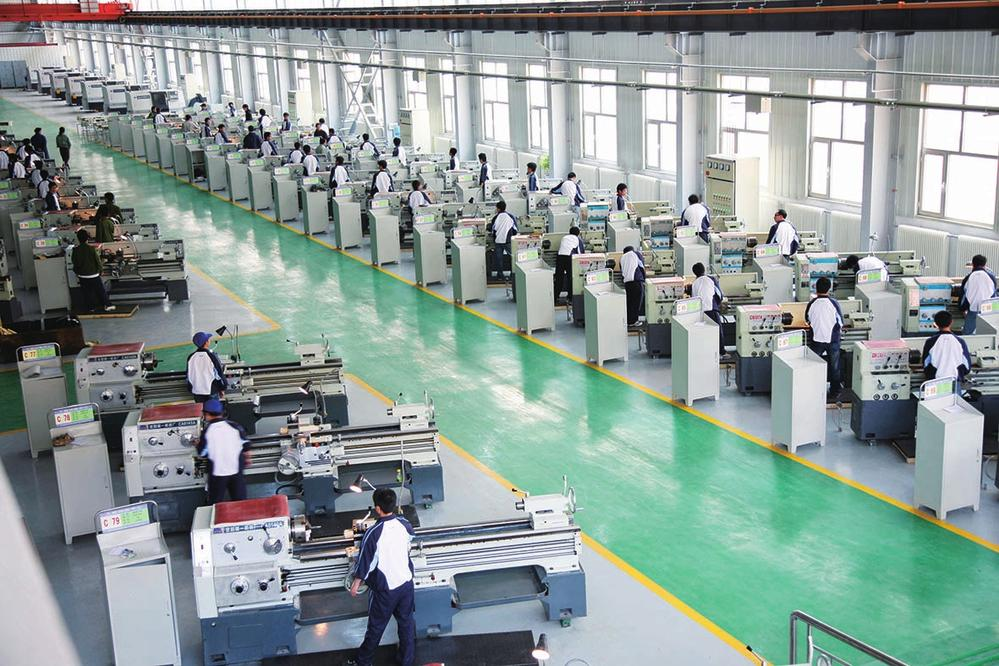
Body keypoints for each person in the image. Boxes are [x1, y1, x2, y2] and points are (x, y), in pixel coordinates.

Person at [347, 488, 416, 666]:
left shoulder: (373, 533)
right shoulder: (404, 523)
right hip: (406, 584)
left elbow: (366, 561)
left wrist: (356, 583)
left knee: (376, 627)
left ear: (377, 509)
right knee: (406, 624)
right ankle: (406, 660)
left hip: (386, 590)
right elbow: (410, 537)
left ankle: (364, 662)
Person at [197, 399, 250, 504]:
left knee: (215, 502)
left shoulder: (207, 432)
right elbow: (246, 446)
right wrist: (247, 459)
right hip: (236, 472)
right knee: (240, 502)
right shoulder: (235, 426)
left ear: (206, 414)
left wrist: (197, 444)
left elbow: (202, 453)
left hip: (218, 474)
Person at [804, 276, 843, 401]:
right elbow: (840, 322)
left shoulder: (811, 304)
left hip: (816, 340)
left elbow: (807, 320)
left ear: (816, 288)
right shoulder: (834, 303)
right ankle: (835, 391)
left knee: (813, 365)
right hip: (833, 340)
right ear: (829, 289)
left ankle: (812, 389)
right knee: (834, 366)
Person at [71, 228, 114, 313]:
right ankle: (107, 305)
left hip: (82, 275)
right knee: (100, 291)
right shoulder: (91, 249)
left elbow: (74, 262)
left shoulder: (75, 250)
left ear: (78, 239)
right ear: (87, 238)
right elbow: (98, 261)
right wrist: (101, 270)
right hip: (94, 274)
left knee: (87, 293)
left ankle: (91, 308)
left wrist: (77, 272)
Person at [922, 311, 971, 382]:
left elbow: (925, 364)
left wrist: (932, 373)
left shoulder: (930, 342)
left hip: (935, 382)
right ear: (951, 322)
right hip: (955, 382)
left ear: (935, 324)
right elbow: (967, 367)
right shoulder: (960, 342)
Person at [691, 262, 726, 354]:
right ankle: (722, 352)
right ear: (704, 270)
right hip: (711, 308)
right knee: (718, 331)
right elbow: (719, 294)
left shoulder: (694, 283)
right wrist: (718, 303)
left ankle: (706, 353)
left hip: (700, 311)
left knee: (704, 332)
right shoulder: (711, 279)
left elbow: (694, 298)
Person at [959, 254, 997, 335]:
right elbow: (994, 295)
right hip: (988, 311)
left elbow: (963, 296)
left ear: (973, 264)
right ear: (985, 264)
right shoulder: (991, 277)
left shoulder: (968, 278)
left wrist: (962, 309)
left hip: (972, 310)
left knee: (968, 336)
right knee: (988, 334)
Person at [187, 331, 228, 402]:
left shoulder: (190, 357)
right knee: (212, 409)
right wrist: (223, 388)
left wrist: (191, 388)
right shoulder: (212, 356)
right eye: (208, 339)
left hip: (197, 392)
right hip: (211, 390)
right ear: (206, 342)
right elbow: (219, 374)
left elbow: (188, 375)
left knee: (201, 409)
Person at [554, 226, 584, 305]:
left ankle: (555, 298)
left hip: (560, 257)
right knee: (571, 278)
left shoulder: (564, 238)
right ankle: (570, 298)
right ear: (578, 233)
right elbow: (580, 254)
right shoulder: (578, 239)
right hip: (569, 258)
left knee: (559, 278)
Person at [490, 200, 518, 281]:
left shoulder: (495, 218)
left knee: (499, 259)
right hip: (508, 241)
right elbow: (515, 230)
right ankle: (513, 274)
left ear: (498, 209)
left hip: (498, 241)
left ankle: (500, 275)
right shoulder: (510, 216)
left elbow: (493, 230)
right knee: (513, 257)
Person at [621, 245, 646, 326]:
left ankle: (629, 321)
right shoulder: (636, 254)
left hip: (627, 282)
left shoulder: (622, 258)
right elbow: (641, 266)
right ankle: (634, 321)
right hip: (636, 280)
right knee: (637, 302)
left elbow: (622, 270)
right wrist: (644, 278)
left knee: (629, 302)